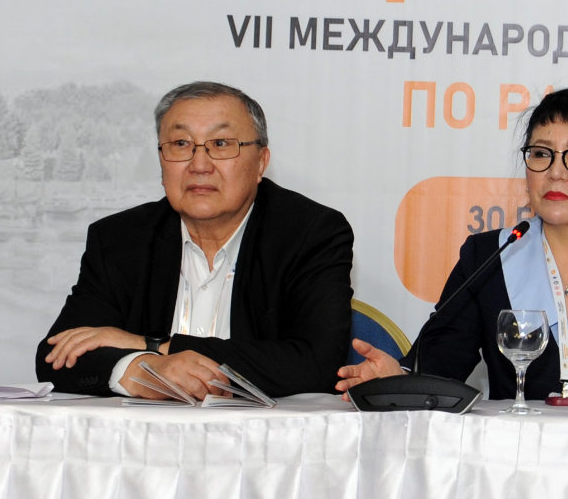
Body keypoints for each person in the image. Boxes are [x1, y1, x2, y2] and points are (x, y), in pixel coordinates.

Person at [338, 88, 568, 402]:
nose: (555, 172)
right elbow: (439, 362)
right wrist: (399, 378)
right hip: (517, 455)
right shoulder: (490, 255)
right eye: (540, 154)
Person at [36, 82, 354, 398]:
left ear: (261, 162)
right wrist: (142, 371)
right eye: (180, 144)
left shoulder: (309, 233)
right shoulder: (120, 239)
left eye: (221, 143)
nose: (199, 165)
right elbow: (57, 356)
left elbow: (317, 362)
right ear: (161, 160)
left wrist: (151, 347)